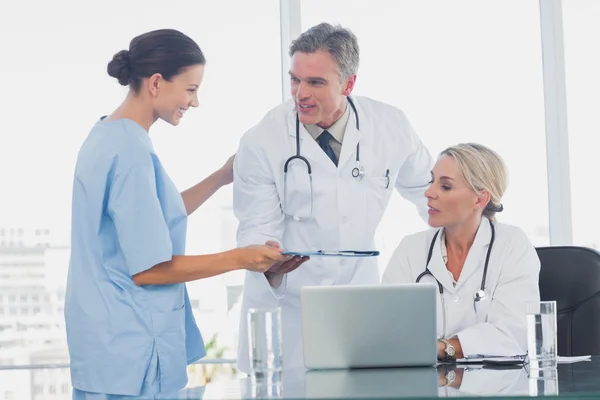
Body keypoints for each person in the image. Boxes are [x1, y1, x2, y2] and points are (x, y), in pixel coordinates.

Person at [64, 29, 289, 399]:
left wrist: (220, 177)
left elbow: (149, 219)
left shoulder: (107, 135)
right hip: (131, 346)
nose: (195, 101)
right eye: (190, 89)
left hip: (105, 347)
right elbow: (149, 268)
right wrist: (241, 258)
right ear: (156, 83)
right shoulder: (131, 152)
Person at [233, 22, 434, 372]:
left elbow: (430, 196)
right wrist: (268, 261)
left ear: (349, 83)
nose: (300, 93)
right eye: (295, 79)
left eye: (315, 82)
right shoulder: (262, 139)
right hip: (289, 307)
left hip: (359, 300)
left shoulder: (390, 126)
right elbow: (255, 227)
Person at [382, 143, 540, 360]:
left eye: (445, 186)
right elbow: (386, 329)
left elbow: (513, 333)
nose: (428, 193)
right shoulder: (411, 249)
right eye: (431, 181)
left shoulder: (512, 245)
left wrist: (443, 348)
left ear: (480, 198)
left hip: (496, 388)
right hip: (423, 386)